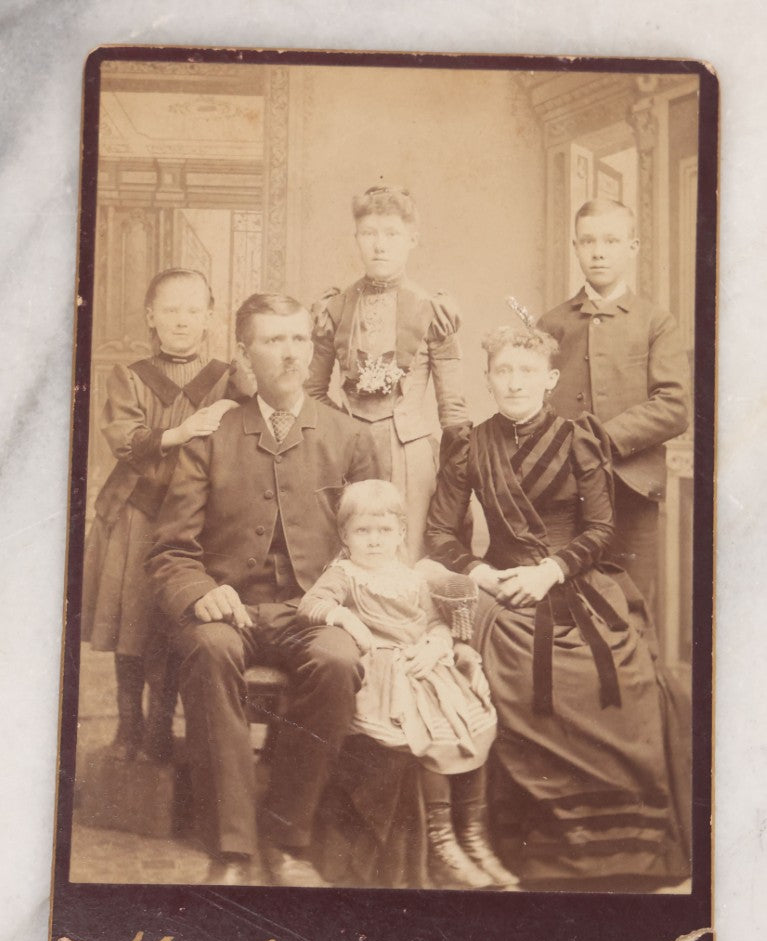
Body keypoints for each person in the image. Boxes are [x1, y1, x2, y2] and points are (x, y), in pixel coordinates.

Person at [426, 324, 689, 890]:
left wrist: (550, 570)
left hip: (574, 579)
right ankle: (538, 847)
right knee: (517, 674)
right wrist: (484, 575)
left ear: (549, 380)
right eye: (503, 371)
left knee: (628, 677)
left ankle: (623, 851)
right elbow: (440, 535)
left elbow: (600, 528)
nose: (514, 382)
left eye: (526, 372)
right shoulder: (468, 443)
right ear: (489, 378)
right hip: (502, 589)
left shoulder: (579, 439)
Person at [147, 293, 378, 887]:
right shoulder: (211, 433)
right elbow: (171, 548)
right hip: (229, 609)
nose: (290, 353)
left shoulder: (347, 436)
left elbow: (374, 545)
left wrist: (341, 602)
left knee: (337, 658)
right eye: (274, 340)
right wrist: (199, 590)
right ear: (245, 352)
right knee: (210, 648)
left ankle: (289, 839)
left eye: (299, 339)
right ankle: (231, 848)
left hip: (313, 608)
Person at [297, 479, 516, 889]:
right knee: (425, 737)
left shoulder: (411, 577)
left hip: (424, 666)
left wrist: (437, 643)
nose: (375, 541)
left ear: (400, 534)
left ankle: (473, 836)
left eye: (385, 531)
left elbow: (433, 621)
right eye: (363, 531)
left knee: (470, 725)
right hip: (385, 675)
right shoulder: (344, 574)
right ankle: (443, 841)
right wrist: (346, 618)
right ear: (345, 536)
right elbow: (312, 603)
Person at [81, 268, 238, 762]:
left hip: (195, 521)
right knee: (132, 625)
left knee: (172, 623)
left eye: (193, 310)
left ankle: (159, 729)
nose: (182, 320)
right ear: (151, 316)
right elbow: (125, 438)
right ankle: (129, 726)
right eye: (170, 309)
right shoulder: (129, 376)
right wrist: (183, 431)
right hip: (138, 516)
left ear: (210, 317)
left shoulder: (228, 377)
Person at [537, 198, 689, 606]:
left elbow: (674, 406)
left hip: (632, 492)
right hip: (564, 495)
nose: (598, 251)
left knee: (631, 606)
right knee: (565, 606)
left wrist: (597, 437)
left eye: (610, 240)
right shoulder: (552, 323)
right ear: (575, 247)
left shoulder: (656, 321)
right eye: (588, 241)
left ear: (633, 247)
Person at [306, 185, 471, 560]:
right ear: (356, 239)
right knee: (347, 557)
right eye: (369, 234)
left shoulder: (433, 311)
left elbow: (454, 411)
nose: (379, 245)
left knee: (407, 558)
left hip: (409, 452)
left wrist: (457, 478)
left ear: (412, 239)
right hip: (346, 452)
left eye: (392, 234)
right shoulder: (334, 308)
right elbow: (312, 391)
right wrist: (344, 429)